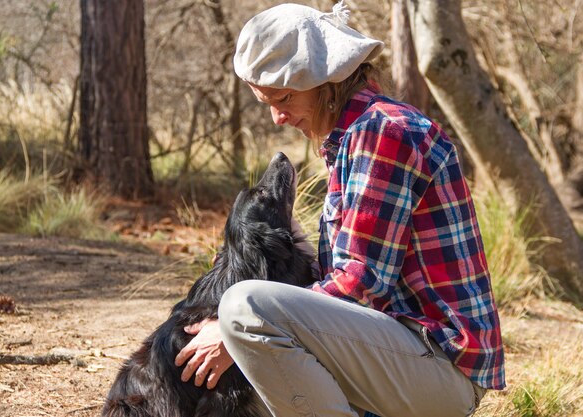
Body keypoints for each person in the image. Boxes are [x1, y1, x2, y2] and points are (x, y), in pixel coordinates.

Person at [174, 2, 506, 416]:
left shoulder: (383, 131)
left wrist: (230, 330)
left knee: (245, 308)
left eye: (284, 96)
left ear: (327, 82)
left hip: (442, 369)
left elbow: (360, 285)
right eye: (267, 102)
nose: (277, 117)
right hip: (408, 356)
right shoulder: (356, 137)